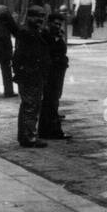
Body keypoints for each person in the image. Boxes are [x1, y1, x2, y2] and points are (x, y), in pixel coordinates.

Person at [12, 4, 52, 148]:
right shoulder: (27, 32)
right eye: (37, 17)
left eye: (42, 16)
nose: (40, 20)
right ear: (29, 17)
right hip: (30, 75)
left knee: (29, 106)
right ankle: (29, 137)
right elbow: (21, 56)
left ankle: (25, 136)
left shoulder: (33, 31)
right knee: (31, 106)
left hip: (32, 74)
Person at [39, 11, 72, 140]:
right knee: (51, 101)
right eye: (56, 24)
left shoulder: (56, 34)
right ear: (49, 23)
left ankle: (47, 130)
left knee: (53, 100)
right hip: (51, 72)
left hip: (58, 71)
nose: (58, 26)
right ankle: (52, 131)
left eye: (60, 24)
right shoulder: (46, 35)